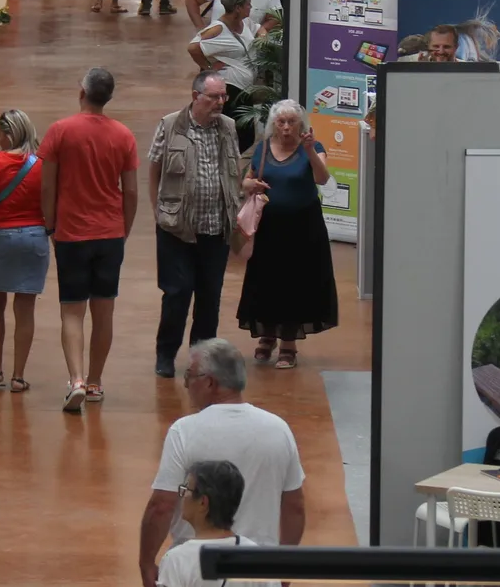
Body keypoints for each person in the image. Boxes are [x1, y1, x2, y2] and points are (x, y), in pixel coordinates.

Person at [138, 339, 306, 587]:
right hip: (259, 569)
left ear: (209, 382)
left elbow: (162, 505)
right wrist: (282, 568)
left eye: (189, 376)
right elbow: (295, 507)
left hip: (196, 570)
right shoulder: (278, 430)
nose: (185, 384)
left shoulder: (184, 431)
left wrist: (146, 561)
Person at [39, 68, 138, 412]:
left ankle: (76, 380)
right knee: (104, 310)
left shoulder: (60, 131)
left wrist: (50, 223)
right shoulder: (123, 135)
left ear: (81, 91)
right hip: (110, 233)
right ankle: (95, 382)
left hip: (71, 233)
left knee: (71, 311)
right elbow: (132, 190)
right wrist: (123, 229)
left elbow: (47, 184)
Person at [147, 71, 242, 378]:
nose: (220, 103)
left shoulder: (228, 128)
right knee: (177, 293)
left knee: (209, 297)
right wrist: (158, 211)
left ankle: (201, 361)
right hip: (176, 229)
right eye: (214, 97)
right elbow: (154, 170)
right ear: (195, 96)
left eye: (223, 97)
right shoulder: (170, 125)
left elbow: (233, 171)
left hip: (216, 228)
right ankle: (165, 354)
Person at [238, 99, 338, 368]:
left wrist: (310, 151)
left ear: (300, 125)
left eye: (291, 122)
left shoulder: (312, 148)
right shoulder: (262, 148)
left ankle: (288, 344)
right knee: (267, 281)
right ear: (273, 125)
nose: (285, 127)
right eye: (280, 122)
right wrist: (250, 184)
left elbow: (322, 178)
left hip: (303, 230)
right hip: (269, 229)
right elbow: (246, 181)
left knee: (295, 284)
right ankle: (267, 335)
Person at [0, 109, 47, 393]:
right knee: (25, 308)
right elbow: (51, 202)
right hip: (33, 237)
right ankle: (18, 376)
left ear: (9, 134)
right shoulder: (41, 163)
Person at [187, 0, 269, 153]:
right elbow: (193, 47)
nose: (251, 8)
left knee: (245, 137)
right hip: (230, 90)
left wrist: (262, 36)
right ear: (237, 7)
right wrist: (209, 66)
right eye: (248, 4)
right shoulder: (218, 29)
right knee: (236, 135)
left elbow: (259, 28)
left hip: (244, 90)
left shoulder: (245, 23)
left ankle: (227, 164)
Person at [156, 460, 258, 587]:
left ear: (203, 503)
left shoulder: (176, 560)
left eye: (186, 489)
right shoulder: (257, 557)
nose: (182, 495)